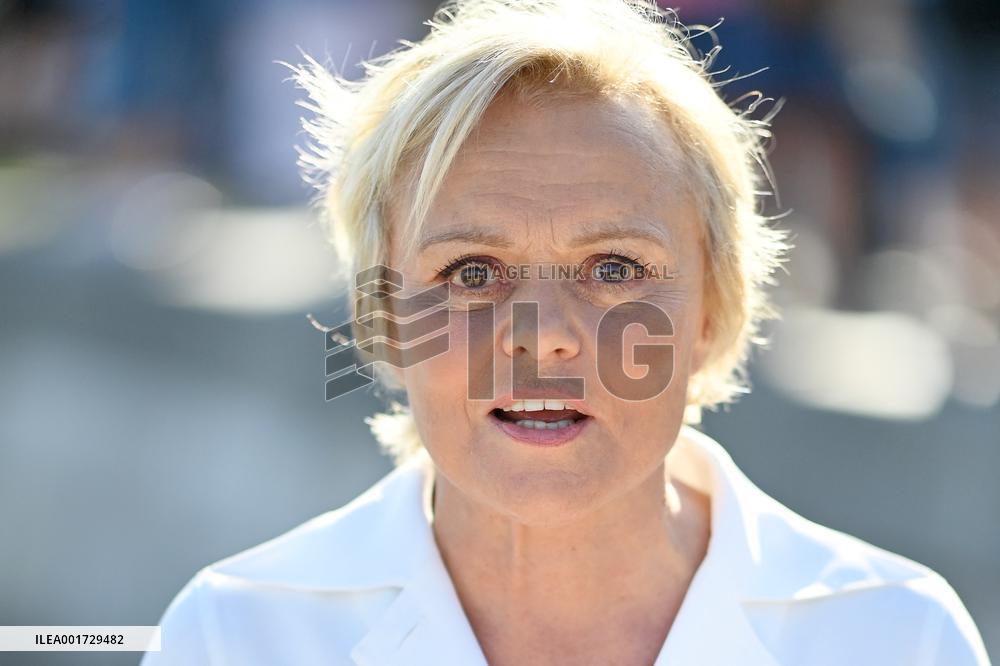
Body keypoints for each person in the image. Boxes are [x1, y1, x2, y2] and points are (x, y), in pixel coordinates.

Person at [142, 1, 990, 663]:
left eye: (615, 269)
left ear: (711, 310)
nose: (543, 337)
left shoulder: (895, 638)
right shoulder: (235, 634)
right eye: (471, 271)